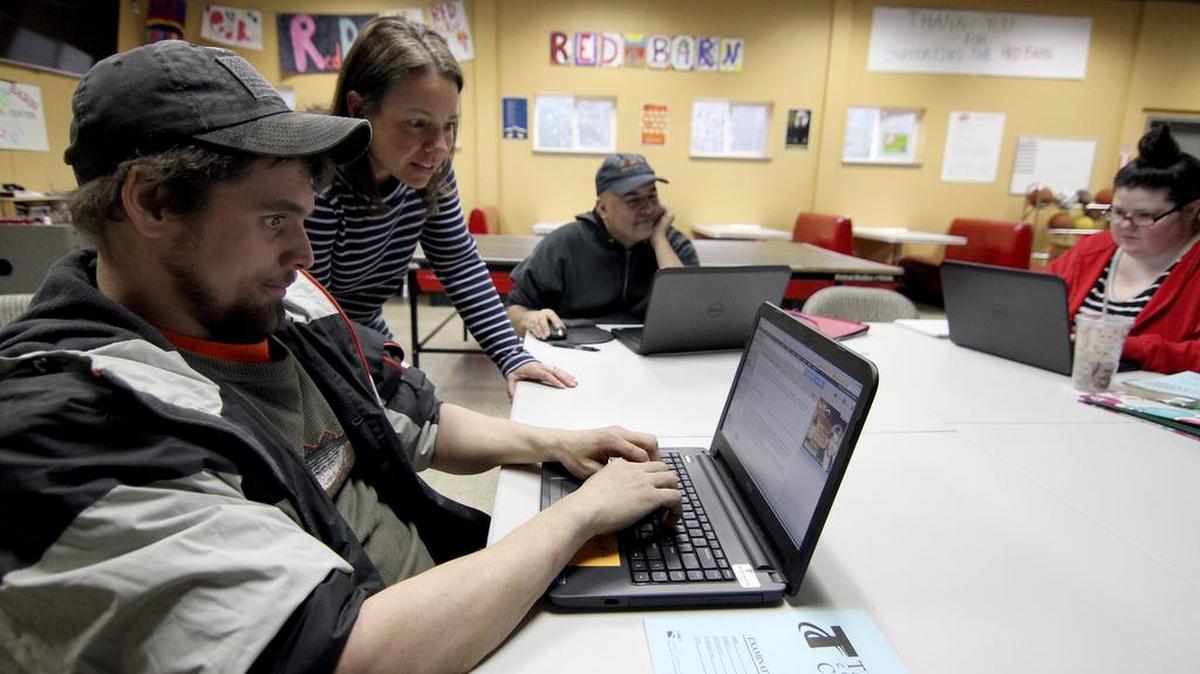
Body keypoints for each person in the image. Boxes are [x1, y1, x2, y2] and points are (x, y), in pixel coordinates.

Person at [0, 41, 681, 673]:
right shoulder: (68, 434)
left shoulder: (284, 310)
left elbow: (415, 415)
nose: (302, 257)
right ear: (152, 201)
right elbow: (338, 653)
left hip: (457, 606)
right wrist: (579, 515)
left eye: (304, 217)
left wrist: (563, 444)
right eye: (274, 221)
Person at [305, 16, 571, 396]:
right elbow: (314, 313)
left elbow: (459, 263)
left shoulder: (432, 171)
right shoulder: (320, 178)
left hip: (360, 326)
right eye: (417, 123)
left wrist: (514, 357)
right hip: (310, 338)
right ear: (359, 108)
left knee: (416, 408)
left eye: (449, 125)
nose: (441, 147)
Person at [1049, 125, 1200, 373]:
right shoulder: (1092, 250)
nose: (1125, 226)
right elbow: (1036, 306)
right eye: (1118, 213)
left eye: (1145, 216)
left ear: (1191, 210)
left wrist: (1123, 346)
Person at [505, 153, 700, 339]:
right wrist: (528, 318)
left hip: (652, 355)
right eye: (633, 201)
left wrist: (659, 239)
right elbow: (513, 310)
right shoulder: (564, 244)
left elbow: (689, 314)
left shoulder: (673, 244)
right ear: (603, 208)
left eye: (652, 196)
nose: (648, 209)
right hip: (578, 352)